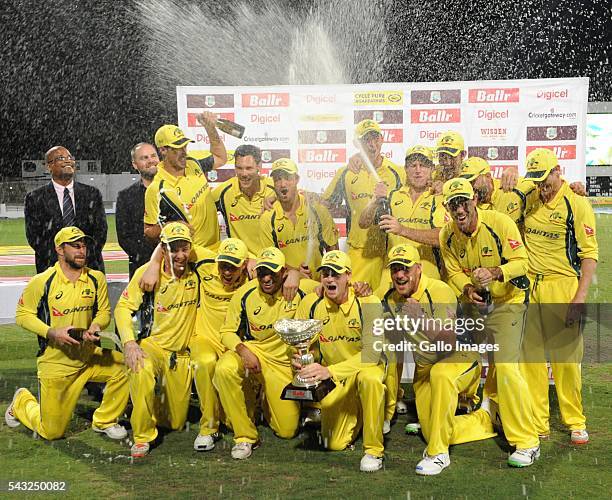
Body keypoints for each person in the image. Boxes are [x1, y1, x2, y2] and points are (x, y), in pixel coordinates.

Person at [439, 178, 540, 467]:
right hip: (476, 306)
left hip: (509, 302)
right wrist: (468, 290)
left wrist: (496, 272)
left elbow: (523, 263)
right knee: (459, 357)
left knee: (507, 366)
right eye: (453, 203)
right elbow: (454, 273)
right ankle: (481, 408)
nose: (459, 209)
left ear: (474, 201)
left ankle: (528, 441)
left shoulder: (499, 222)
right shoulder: (447, 235)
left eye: (463, 201)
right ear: (447, 207)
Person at [376, 244, 495, 475]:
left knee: (441, 374)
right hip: (425, 369)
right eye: (395, 269)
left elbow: (448, 343)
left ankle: (439, 454)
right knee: (432, 431)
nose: (399, 275)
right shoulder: (391, 299)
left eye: (405, 268)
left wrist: (420, 318)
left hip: (460, 357)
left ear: (419, 269)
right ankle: (484, 418)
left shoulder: (439, 291)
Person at [7, 227, 128, 440]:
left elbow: (104, 312)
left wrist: (96, 327)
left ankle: (105, 420)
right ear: (60, 250)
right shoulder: (43, 281)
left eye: (83, 246)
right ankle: (21, 402)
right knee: (51, 432)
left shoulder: (96, 278)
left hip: (89, 358)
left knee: (128, 366)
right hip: (56, 365)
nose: (82, 251)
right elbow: (22, 315)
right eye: (75, 246)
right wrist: (51, 333)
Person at [520, 148, 598, 445]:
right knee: (532, 360)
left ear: (558, 171)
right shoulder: (528, 197)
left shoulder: (576, 203)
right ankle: (539, 423)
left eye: (546, 179)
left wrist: (579, 298)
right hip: (530, 286)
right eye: (537, 181)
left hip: (563, 285)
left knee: (566, 360)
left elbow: (589, 255)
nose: (542, 187)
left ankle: (575, 421)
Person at [213, 247, 319, 459]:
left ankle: (263, 399)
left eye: (272, 272)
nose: (267, 278)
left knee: (287, 431)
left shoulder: (301, 289)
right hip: (254, 353)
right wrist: (243, 350)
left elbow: (331, 286)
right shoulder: (245, 293)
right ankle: (244, 437)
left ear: (283, 272)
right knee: (224, 369)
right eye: (262, 272)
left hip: (282, 365)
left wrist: (297, 274)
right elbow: (226, 332)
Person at [294, 250, 386, 473]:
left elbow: (372, 354)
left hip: (361, 371)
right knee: (334, 444)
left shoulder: (369, 302)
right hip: (334, 379)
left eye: (336, 274)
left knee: (371, 379)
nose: (329, 279)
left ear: (348, 277)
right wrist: (303, 360)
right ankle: (364, 413)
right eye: (325, 273)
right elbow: (301, 343)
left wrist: (330, 372)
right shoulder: (311, 303)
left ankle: (374, 449)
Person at [114, 222, 201, 458]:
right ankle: (142, 436)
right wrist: (129, 343)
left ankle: (146, 403)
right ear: (163, 249)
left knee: (174, 422)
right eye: (173, 250)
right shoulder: (148, 273)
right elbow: (122, 308)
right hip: (153, 346)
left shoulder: (199, 270)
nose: (180, 255)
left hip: (181, 354)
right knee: (140, 367)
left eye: (184, 248)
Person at [322, 119, 404, 290]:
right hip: (360, 251)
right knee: (354, 300)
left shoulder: (397, 172)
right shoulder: (347, 172)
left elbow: (421, 189)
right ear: (356, 144)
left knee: (391, 308)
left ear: (382, 139)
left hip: (392, 252)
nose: (372, 145)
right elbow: (325, 203)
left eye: (375, 139)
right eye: (366, 140)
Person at [360, 145, 446, 280]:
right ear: (405, 169)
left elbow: (441, 238)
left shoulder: (439, 197)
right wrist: (374, 201)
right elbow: (363, 223)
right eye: (413, 165)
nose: (418, 171)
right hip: (392, 274)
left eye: (423, 165)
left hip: (426, 276)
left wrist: (402, 230)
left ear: (432, 169)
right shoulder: (392, 195)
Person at [260, 158, 338, 300]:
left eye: (288, 178)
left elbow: (333, 250)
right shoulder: (267, 218)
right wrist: (295, 272)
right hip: (288, 289)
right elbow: (270, 261)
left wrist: (330, 279)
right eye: (277, 179)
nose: (283, 184)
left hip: (320, 288)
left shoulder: (317, 210)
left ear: (296, 179)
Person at [143, 117, 226, 248]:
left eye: (184, 146)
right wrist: (172, 226)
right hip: (191, 257)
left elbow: (221, 158)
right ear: (163, 150)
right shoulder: (157, 188)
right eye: (177, 148)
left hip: (215, 248)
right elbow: (148, 231)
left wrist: (210, 129)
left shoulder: (193, 163)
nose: (183, 152)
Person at [25, 146, 107, 273]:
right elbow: (35, 237)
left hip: (89, 267)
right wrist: (63, 260)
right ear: (49, 166)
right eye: (61, 158)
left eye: (70, 157)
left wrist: (81, 257)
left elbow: (100, 232)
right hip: (52, 269)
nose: (68, 161)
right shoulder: (35, 198)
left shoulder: (92, 194)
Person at [213, 145, 276, 256]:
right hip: (241, 263)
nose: (244, 174)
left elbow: (302, 199)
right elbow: (199, 205)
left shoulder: (274, 188)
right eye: (239, 168)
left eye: (248, 168)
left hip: (271, 260)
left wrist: (277, 197)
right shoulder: (224, 191)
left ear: (259, 166)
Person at [116, 142, 160, 278]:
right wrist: (152, 260)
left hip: (176, 266)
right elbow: (124, 237)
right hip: (141, 268)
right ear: (135, 165)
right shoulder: (125, 196)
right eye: (144, 158)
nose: (151, 160)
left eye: (153, 156)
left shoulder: (176, 189)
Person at [459, 157, 529, 226]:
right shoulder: (465, 204)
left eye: (472, 181)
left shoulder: (513, 187)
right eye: (465, 183)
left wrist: (513, 170)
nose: (469, 187)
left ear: (488, 176)